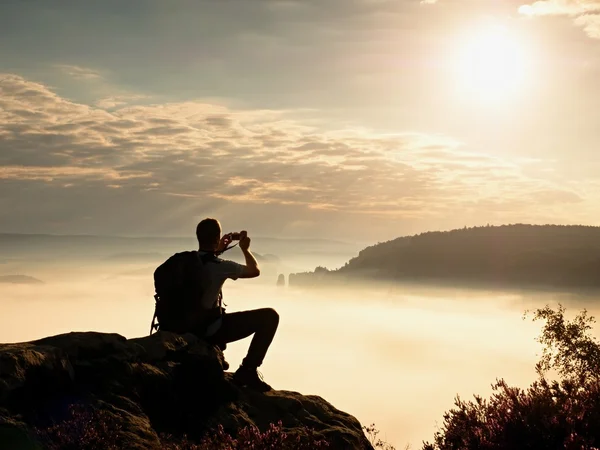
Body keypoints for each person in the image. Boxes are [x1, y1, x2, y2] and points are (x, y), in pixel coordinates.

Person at [194, 218, 279, 392]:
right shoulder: (219, 266)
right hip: (207, 330)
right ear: (217, 238)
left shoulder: (189, 261)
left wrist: (218, 249)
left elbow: (206, 258)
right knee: (270, 316)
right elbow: (254, 271)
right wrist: (245, 249)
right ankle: (247, 371)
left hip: (185, 326)